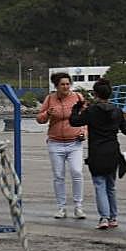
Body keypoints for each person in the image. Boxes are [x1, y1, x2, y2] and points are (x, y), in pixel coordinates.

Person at [70, 79, 126, 229]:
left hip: (97, 152)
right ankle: (113, 217)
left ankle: (103, 218)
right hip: (113, 151)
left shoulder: (91, 111)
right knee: (111, 186)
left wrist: (77, 107)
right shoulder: (117, 111)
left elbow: (74, 121)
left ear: (95, 94)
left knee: (99, 185)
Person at [36, 72, 87, 219]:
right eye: (62, 84)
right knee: (58, 176)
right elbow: (39, 119)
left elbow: (85, 117)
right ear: (56, 86)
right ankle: (61, 207)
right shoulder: (50, 98)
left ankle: (78, 206)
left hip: (75, 142)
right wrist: (47, 113)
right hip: (55, 143)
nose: (66, 87)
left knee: (77, 172)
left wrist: (83, 132)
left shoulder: (78, 97)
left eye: (67, 84)